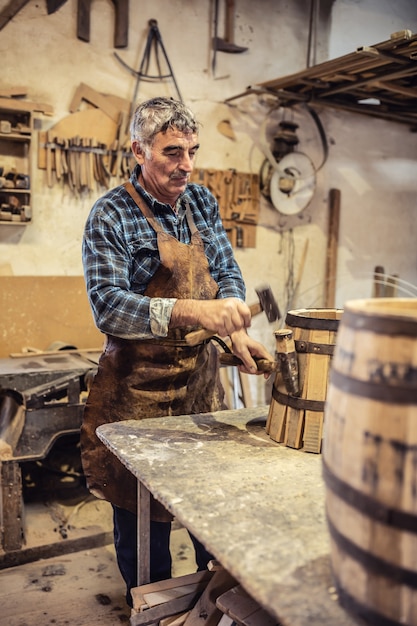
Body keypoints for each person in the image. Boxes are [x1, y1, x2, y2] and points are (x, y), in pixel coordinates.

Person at [80, 96, 274, 608]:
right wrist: (193, 312)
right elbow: (108, 307)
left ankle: (212, 605)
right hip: (135, 394)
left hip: (198, 387)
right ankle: (151, 607)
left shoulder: (201, 202)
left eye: (191, 150)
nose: (186, 164)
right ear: (138, 150)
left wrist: (232, 327)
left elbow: (225, 270)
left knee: (209, 513)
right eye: (171, 152)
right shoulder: (110, 215)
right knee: (144, 532)